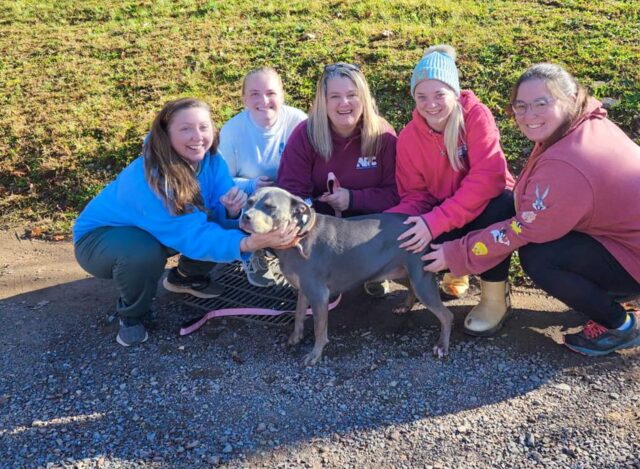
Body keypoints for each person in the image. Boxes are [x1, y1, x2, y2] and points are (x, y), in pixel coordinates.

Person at [424, 63, 640, 356]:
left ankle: (620, 326)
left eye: (542, 103)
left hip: (631, 255)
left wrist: (455, 253)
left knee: (540, 256)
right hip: (624, 240)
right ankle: (607, 299)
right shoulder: (587, 124)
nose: (529, 115)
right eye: (520, 106)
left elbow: (523, 230)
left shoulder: (567, 164)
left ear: (570, 98)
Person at [73, 98, 298, 347]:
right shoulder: (152, 178)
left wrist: (232, 213)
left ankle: (185, 278)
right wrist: (249, 243)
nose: (197, 136)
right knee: (143, 253)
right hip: (99, 240)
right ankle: (133, 315)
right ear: (166, 135)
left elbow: (214, 219)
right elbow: (195, 237)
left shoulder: (210, 160)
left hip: (160, 231)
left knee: (218, 221)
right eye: (185, 129)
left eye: (204, 127)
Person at [387, 45, 515, 335]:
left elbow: (488, 178)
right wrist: (392, 228)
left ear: (454, 92)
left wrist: (435, 223)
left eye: (439, 94)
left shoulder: (475, 116)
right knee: (413, 241)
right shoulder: (408, 138)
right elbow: (415, 195)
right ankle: (457, 271)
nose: (430, 104)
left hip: (485, 208)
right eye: (421, 96)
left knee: (502, 204)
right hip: (446, 213)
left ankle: (495, 297)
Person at [276, 62, 399, 296]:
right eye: (335, 96)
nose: (344, 103)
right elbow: (291, 192)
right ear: (323, 102)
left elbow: (396, 193)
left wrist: (352, 199)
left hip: (367, 229)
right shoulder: (306, 134)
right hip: (319, 231)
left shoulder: (383, 136)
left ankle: (374, 271)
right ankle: (312, 275)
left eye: (352, 95)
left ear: (363, 98)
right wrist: (309, 213)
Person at [218, 67, 307, 287]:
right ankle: (253, 252)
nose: (263, 100)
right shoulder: (231, 131)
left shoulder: (298, 121)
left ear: (282, 95)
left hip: (290, 194)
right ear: (244, 99)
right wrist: (250, 185)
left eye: (271, 93)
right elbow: (220, 180)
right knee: (230, 200)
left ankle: (304, 253)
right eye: (254, 94)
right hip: (251, 201)